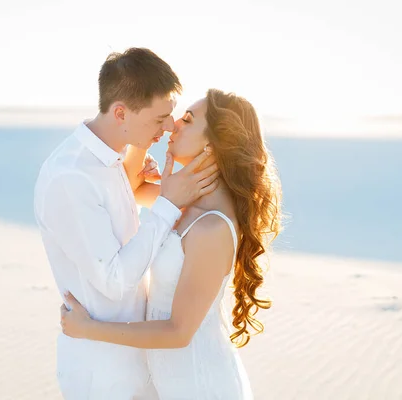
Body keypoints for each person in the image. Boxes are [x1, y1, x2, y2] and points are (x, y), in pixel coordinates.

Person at [60, 89, 283, 399]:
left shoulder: (211, 227)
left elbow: (179, 331)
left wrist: (89, 329)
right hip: (171, 386)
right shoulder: (185, 199)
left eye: (187, 120)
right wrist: (144, 140)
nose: (174, 124)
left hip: (201, 387)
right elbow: (131, 186)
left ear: (213, 143)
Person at [33, 48, 219, 399]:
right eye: (159, 118)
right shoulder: (71, 177)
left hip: (139, 365)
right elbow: (115, 281)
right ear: (121, 112)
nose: (169, 127)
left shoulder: (111, 160)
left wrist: (136, 171)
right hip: (104, 375)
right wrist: (166, 203)